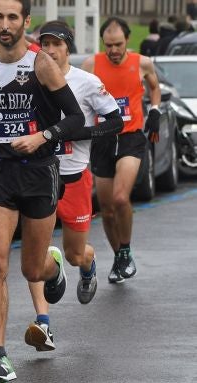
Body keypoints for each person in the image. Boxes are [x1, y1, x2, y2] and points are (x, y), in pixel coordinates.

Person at [0, 0, 85, 383]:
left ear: (25, 21)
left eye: (12, 17)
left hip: (39, 172)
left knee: (32, 270)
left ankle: (53, 266)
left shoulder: (42, 65)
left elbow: (75, 118)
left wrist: (41, 136)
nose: (4, 24)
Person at [23, 21, 124, 351]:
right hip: (39, 176)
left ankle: (87, 264)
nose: (51, 50)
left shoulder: (87, 82)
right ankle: (43, 322)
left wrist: (80, 133)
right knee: (34, 254)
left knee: (74, 253)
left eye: (57, 44)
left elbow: (115, 121)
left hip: (74, 177)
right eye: (45, 44)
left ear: (68, 48)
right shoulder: (29, 80)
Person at [82, 17, 161, 283]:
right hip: (103, 138)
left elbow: (155, 87)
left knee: (119, 198)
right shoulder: (91, 65)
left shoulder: (142, 62)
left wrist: (155, 110)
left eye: (118, 44)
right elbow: (77, 94)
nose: (113, 50)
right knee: (106, 208)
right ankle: (119, 258)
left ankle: (126, 250)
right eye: (108, 45)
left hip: (130, 138)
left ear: (127, 40)